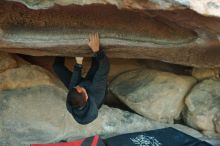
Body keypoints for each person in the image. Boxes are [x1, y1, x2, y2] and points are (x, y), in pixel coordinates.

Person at [53, 33, 110, 124]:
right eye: (80, 88)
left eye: (76, 87)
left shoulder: (72, 100)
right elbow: (105, 67)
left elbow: (74, 84)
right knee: (97, 64)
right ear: (86, 96)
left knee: (57, 67)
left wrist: (78, 64)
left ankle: (62, 49)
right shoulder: (97, 93)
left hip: (83, 90)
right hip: (93, 85)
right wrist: (96, 50)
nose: (78, 86)